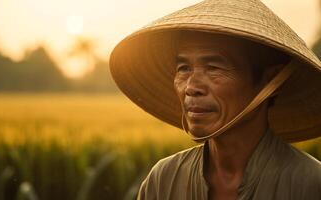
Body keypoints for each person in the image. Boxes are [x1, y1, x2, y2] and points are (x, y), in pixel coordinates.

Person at [109, 0, 321, 199]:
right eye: (184, 68)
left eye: (213, 68)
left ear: (269, 82)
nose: (191, 87)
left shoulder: (309, 184)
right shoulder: (163, 181)